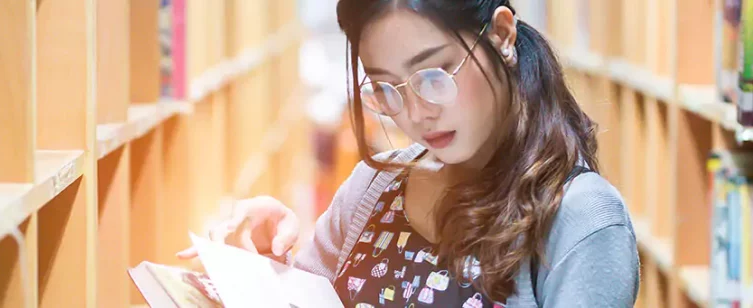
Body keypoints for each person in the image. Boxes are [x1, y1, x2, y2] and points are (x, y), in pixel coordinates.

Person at [178, 0, 640, 306]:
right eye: (385, 87)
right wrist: (262, 269)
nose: (417, 112)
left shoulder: (581, 220)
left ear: (501, 35)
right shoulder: (371, 189)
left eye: (434, 75)